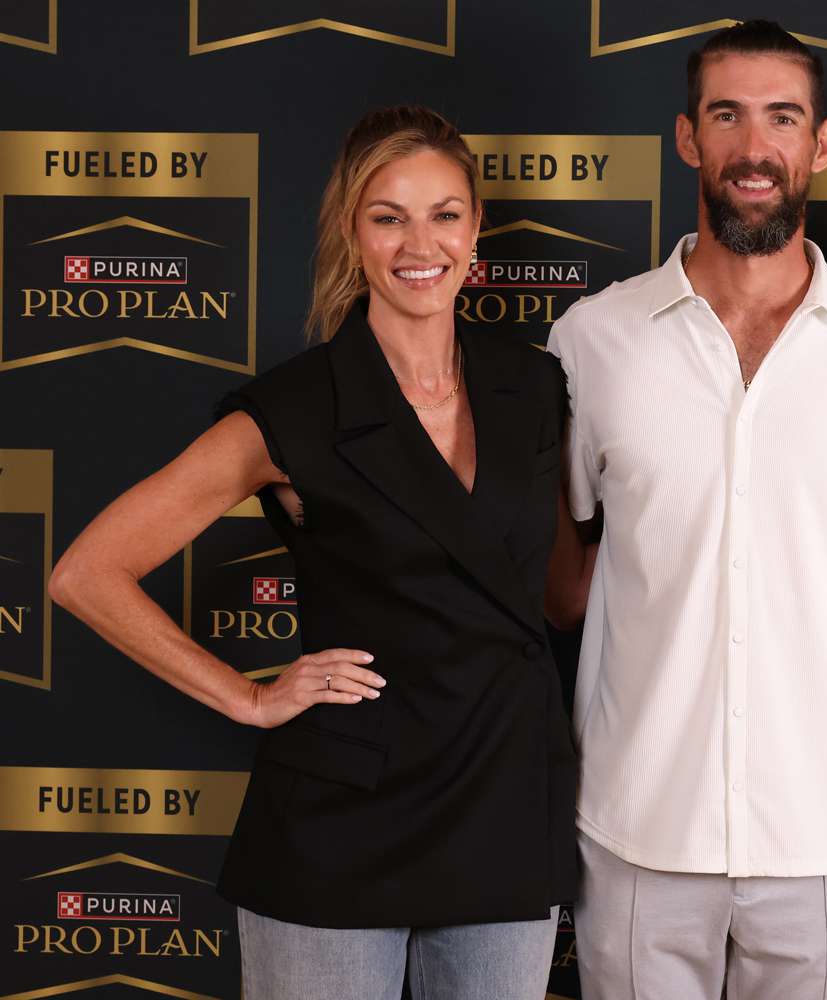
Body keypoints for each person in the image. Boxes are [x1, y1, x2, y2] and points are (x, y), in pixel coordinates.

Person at [48, 105, 576, 1000]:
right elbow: (84, 574)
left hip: (504, 806)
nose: (422, 242)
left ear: (476, 229)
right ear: (351, 231)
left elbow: (558, 591)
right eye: (389, 215)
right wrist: (248, 697)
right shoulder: (292, 410)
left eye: (446, 213)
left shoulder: (534, 382)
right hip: (340, 821)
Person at [544, 20, 827, 1000]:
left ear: (821, 144)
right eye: (727, 115)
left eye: (781, 117)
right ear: (688, 138)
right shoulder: (592, 340)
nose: (754, 146)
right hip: (637, 819)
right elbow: (559, 573)